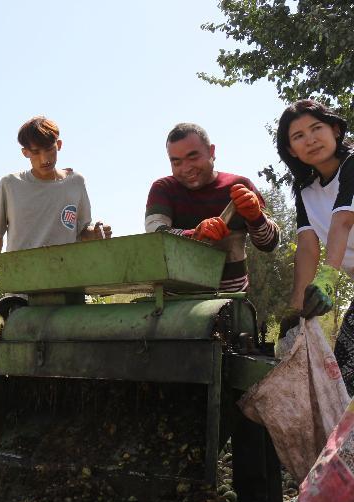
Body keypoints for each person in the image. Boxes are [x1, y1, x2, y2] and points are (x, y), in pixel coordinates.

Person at [0, 116, 111, 321]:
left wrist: (97, 232)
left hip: (67, 291)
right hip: (22, 294)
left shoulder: (75, 182)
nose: (44, 159)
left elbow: (83, 231)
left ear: (59, 145)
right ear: (25, 153)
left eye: (49, 149)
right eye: (36, 152)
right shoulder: (10, 185)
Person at [145, 123, 280, 291]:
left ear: (212, 152)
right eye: (176, 162)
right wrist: (194, 235)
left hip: (233, 302)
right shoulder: (163, 188)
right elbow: (154, 234)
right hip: (175, 303)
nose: (186, 168)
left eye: (193, 157)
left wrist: (256, 218)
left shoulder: (241, 186)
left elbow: (269, 244)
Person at [276, 100, 352, 394]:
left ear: (334, 129)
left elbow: (343, 220)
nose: (310, 139)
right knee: (346, 375)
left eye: (316, 128)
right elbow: (307, 247)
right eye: (298, 136)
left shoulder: (352, 166)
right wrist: (297, 312)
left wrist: (328, 277)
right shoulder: (305, 191)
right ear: (292, 150)